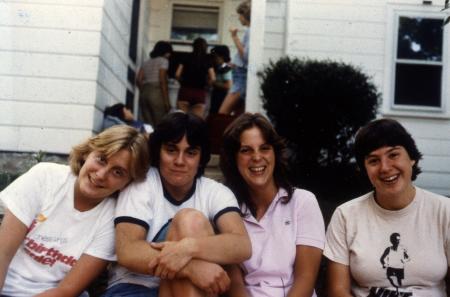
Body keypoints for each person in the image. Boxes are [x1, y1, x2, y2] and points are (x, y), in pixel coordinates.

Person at [103, 112, 251, 297]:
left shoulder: (215, 192)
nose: (180, 161)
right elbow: (129, 250)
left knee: (190, 220)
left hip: (190, 289)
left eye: (190, 153)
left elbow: (242, 244)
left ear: (201, 157)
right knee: (190, 220)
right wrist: (192, 268)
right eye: (171, 150)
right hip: (134, 287)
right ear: (158, 151)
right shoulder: (142, 184)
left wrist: (187, 248)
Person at [0, 125, 150, 297]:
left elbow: (66, 290)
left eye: (117, 172)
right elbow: (2, 256)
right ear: (88, 152)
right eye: (101, 159)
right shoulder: (45, 177)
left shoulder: (112, 219)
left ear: (128, 183)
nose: (101, 174)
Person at [324, 118, 450, 297]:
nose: (385, 167)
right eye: (373, 161)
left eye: (393, 155)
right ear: (364, 169)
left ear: (412, 158)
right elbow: (338, 291)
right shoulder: (346, 215)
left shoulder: (444, 211)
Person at [220, 113, 325, 297]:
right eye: (246, 150)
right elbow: (235, 284)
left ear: (275, 153)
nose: (257, 157)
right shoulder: (228, 210)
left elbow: (305, 279)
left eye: (264, 148)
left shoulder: (303, 202)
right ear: (234, 158)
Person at [218, 1, 251, 115]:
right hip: (240, 75)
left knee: (222, 113)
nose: (239, 18)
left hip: (241, 78)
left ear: (246, 15)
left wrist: (234, 36)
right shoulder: (249, 30)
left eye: (240, 15)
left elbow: (246, 56)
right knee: (238, 116)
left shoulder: (251, 31)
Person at [175, 37, 215, 118]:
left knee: (181, 120)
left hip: (185, 90)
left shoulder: (186, 57)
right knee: (196, 122)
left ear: (193, 46)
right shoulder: (207, 59)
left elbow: (177, 74)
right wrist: (207, 84)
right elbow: (213, 78)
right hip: (199, 92)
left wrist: (182, 81)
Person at [136, 41, 173, 125]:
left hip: (144, 92)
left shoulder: (146, 62)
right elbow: (162, 80)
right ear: (165, 52)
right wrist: (167, 102)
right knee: (160, 123)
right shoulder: (163, 61)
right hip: (156, 92)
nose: (170, 55)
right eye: (169, 52)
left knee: (148, 124)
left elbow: (138, 79)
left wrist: (143, 90)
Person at [209, 45, 232, 115]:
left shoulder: (225, 68)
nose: (214, 59)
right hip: (216, 96)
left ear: (222, 57)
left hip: (221, 97)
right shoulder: (219, 68)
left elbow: (228, 85)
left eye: (216, 57)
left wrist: (213, 83)